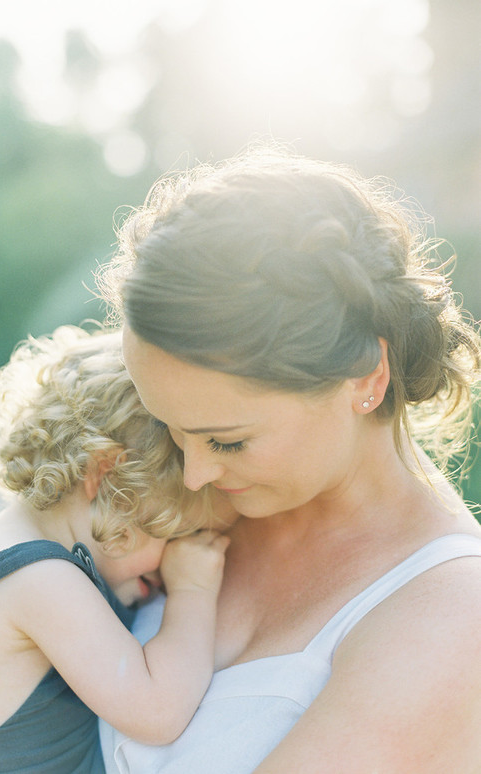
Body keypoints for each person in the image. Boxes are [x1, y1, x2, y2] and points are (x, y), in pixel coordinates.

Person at [97, 145, 481, 773]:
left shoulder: (453, 614)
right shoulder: (179, 493)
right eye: (169, 429)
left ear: (366, 376)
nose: (193, 476)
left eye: (227, 441)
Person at [0, 325, 230, 774]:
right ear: (107, 478)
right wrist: (193, 590)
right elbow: (158, 713)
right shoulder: (41, 580)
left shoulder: (12, 545)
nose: (170, 562)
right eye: (173, 533)